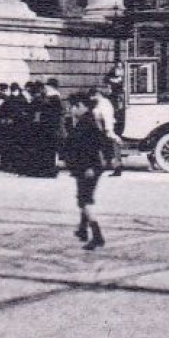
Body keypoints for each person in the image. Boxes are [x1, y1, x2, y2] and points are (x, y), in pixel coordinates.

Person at [65, 90, 109, 250]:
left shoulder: (86, 123)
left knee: (85, 201)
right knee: (83, 199)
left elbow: (92, 146)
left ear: (81, 106)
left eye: (73, 107)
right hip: (85, 167)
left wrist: (89, 167)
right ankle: (83, 230)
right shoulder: (86, 120)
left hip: (88, 168)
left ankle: (97, 236)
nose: (71, 110)